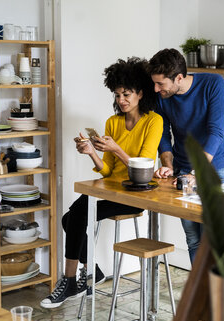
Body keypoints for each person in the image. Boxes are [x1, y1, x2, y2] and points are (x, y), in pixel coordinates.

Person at [40, 57, 163, 308]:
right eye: (117, 95)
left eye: (127, 94)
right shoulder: (113, 121)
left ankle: (70, 279)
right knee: (70, 218)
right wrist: (92, 152)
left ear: (140, 93)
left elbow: (145, 170)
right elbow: (107, 172)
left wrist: (116, 148)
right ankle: (91, 270)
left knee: (74, 216)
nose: (121, 100)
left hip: (135, 194)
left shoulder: (154, 121)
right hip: (112, 189)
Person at [148, 48, 224, 263]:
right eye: (154, 83)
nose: (156, 89)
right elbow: (164, 133)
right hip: (183, 171)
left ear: (179, 78)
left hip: (212, 170)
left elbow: (216, 132)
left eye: (161, 84)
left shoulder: (213, 84)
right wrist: (168, 164)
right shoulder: (163, 96)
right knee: (194, 240)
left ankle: (213, 294)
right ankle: (198, 294)